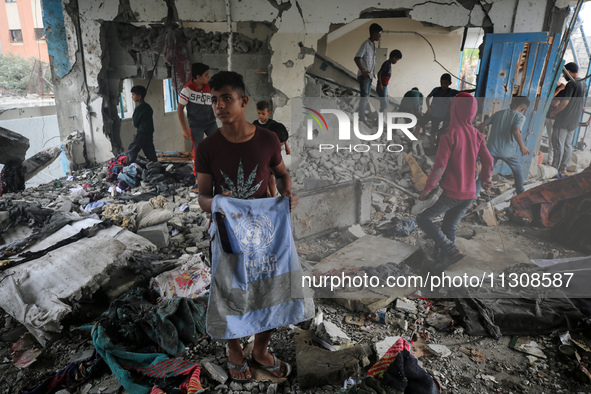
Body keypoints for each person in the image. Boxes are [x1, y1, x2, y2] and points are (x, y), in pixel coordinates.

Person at [196, 71, 298, 382]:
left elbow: (282, 175)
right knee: (230, 291)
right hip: (228, 234)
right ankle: (234, 351)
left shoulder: (268, 140)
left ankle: (260, 349)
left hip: (265, 232)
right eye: (214, 100)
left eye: (226, 98)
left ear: (244, 101)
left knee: (271, 288)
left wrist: (287, 194)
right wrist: (219, 203)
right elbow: (202, 196)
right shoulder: (207, 147)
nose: (219, 106)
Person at [416, 93, 494, 267]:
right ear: (473, 112)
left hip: (453, 193)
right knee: (449, 227)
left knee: (423, 219)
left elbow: (440, 167)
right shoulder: (477, 134)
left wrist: (427, 189)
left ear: (454, 109)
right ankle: (443, 262)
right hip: (470, 193)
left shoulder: (449, 134)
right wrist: (487, 178)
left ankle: (449, 249)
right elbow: (489, 161)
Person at [478, 96, 531, 195]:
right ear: (524, 109)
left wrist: (483, 139)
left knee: (485, 173)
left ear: (512, 103)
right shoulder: (520, 117)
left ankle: (473, 196)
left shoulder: (499, 113)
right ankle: (520, 193)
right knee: (518, 170)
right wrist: (522, 146)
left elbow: (482, 126)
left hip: (491, 150)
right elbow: (516, 130)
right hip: (507, 152)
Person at [177, 63, 218, 191]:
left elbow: (217, 101)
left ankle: (217, 175)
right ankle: (198, 179)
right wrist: (184, 128)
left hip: (211, 123)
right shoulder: (187, 90)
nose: (208, 77)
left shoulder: (209, 87)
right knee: (198, 151)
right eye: (206, 75)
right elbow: (180, 109)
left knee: (218, 146)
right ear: (198, 76)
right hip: (196, 125)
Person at [552, 62, 587, 177]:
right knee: (568, 145)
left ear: (569, 71)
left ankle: (554, 168)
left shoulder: (571, 84)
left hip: (563, 119)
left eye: (564, 72)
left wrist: (555, 112)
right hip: (574, 120)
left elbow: (564, 103)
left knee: (558, 144)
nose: (563, 75)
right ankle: (563, 168)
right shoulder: (584, 83)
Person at [253, 100, 290, 197]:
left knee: (271, 174)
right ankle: (269, 195)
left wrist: (286, 146)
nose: (261, 115)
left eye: (263, 113)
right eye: (259, 113)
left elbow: (280, 174)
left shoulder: (274, 126)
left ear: (268, 113)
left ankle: (272, 196)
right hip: (258, 158)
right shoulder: (256, 128)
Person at [419, 73, 459, 149]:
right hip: (431, 113)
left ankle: (432, 148)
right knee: (419, 125)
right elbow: (427, 98)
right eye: (442, 83)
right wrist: (429, 108)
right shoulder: (436, 90)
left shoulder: (451, 92)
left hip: (439, 116)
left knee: (434, 132)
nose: (443, 85)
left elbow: (462, 92)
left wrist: (476, 89)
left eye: (445, 83)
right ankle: (413, 143)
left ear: (450, 83)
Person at [354, 23, 383, 123]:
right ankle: (361, 118)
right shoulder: (366, 44)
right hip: (364, 75)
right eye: (379, 34)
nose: (380, 36)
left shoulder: (373, 45)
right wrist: (363, 71)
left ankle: (362, 117)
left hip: (370, 76)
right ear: (374, 33)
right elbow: (357, 58)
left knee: (366, 97)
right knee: (364, 97)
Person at [127, 85, 158, 164]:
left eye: (133, 95)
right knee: (150, 151)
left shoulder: (139, 108)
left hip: (141, 133)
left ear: (139, 96)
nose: (132, 97)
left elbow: (135, 123)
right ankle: (155, 166)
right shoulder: (148, 107)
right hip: (149, 133)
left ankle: (128, 167)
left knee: (132, 149)